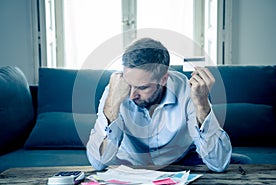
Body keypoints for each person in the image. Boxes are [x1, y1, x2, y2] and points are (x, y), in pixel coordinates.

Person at [86, 38, 249, 172]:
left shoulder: (187, 90)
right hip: (131, 164)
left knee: (242, 162)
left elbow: (219, 164)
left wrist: (201, 104)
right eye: (129, 84)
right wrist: (112, 105)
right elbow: (98, 163)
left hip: (181, 160)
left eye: (143, 87)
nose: (131, 95)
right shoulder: (116, 89)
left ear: (163, 79)